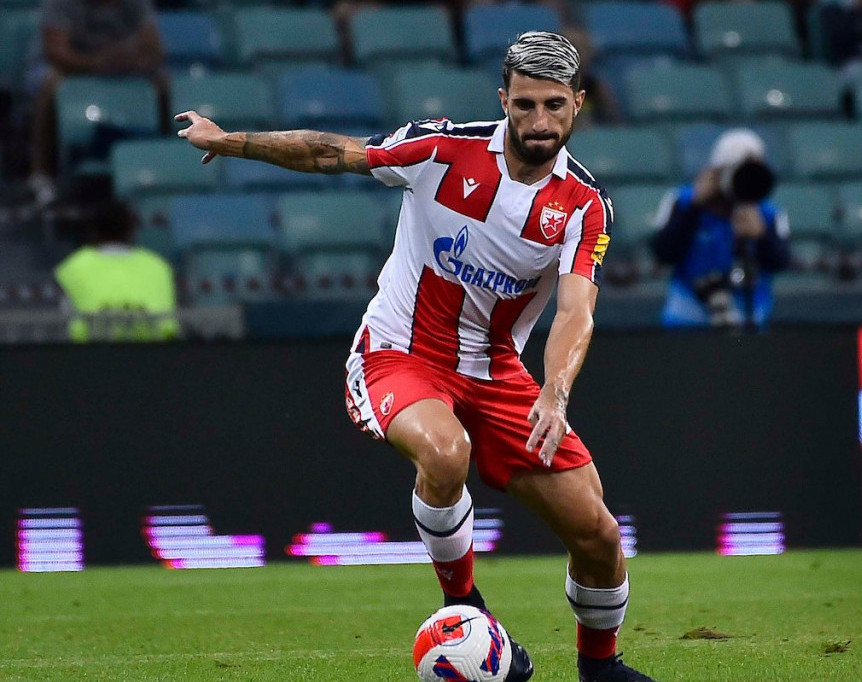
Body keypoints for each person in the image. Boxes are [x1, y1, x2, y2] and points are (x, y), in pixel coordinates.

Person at [176, 31, 658, 682]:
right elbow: (331, 152)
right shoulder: (442, 149)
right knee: (445, 451)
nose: (539, 121)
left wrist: (555, 389)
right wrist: (231, 141)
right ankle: (465, 606)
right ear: (504, 101)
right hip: (399, 353)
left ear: (577, 104)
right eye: (524, 105)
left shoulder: (583, 206)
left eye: (553, 105)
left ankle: (599, 669)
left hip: (496, 371)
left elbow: (576, 311)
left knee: (598, 534)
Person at [28, 0, 166, 205]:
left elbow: (154, 49)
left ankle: (162, 165)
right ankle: (42, 173)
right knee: (50, 84)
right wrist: (97, 63)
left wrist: (133, 62)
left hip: (116, 68)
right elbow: (55, 51)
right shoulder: (60, 4)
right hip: (69, 67)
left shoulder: (135, 3)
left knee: (163, 83)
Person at [651, 128, 790, 329]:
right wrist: (695, 207)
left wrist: (761, 236)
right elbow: (663, 253)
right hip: (687, 319)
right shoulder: (682, 201)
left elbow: (781, 262)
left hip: (749, 318)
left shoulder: (767, 213)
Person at [54, 199, 180, 342]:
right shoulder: (159, 267)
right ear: (131, 229)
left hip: (90, 351)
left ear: (93, 230)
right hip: (156, 352)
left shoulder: (71, 268)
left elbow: (63, 323)